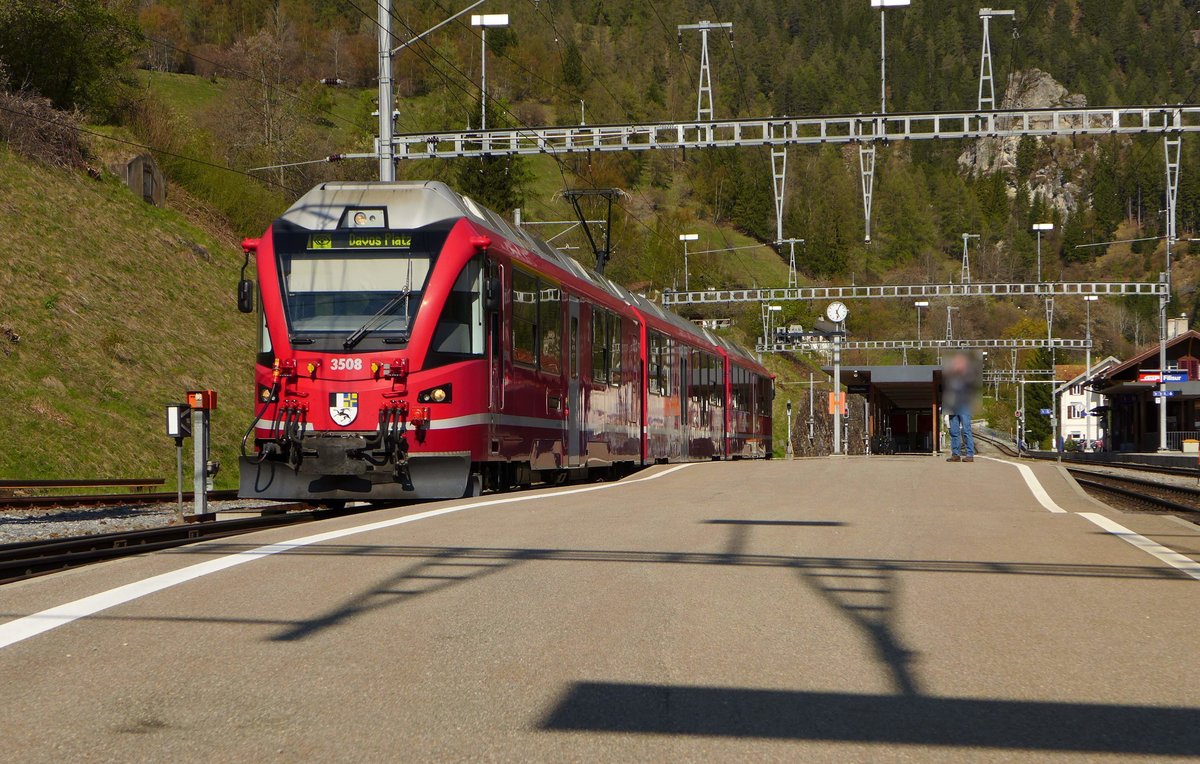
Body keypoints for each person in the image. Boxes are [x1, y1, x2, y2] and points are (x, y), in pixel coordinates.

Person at [942, 351, 980, 462]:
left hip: (964, 406)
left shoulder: (968, 376)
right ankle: (955, 454)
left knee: (966, 430)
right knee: (953, 432)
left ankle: (969, 454)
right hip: (952, 406)